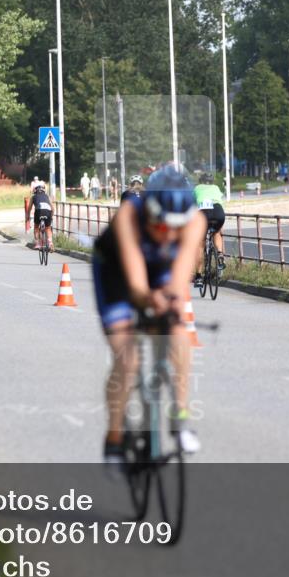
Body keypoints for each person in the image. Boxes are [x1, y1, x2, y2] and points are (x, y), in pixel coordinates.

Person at [92, 165, 206, 465]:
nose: (168, 234)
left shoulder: (196, 222)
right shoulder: (129, 215)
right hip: (115, 272)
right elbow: (137, 286)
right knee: (127, 358)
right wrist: (150, 299)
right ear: (149, 211)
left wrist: (169, 301)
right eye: (160, 225)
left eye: (175, 228)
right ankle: (114, 439)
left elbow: (180, 278)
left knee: (178, 332)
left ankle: (180, 418)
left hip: (159, 270)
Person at [193, 175, 226, 279]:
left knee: (200, 244)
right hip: (218, 211)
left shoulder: (197, 188)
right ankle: (220, 254)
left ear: (200, 181)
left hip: (203, 212)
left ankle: (198, 276)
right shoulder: (216, 188)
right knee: (216, 232)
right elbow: (220, 201)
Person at [25, 182, 55, 250]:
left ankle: (38, 244)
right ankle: (50, 243)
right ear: (44, 191)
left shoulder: (33, 197)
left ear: (35, 191)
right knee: (48, 228)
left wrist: (28, 217)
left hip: (38, 211)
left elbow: (29, 208)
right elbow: (53, 208)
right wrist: (51, 216)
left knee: (36, 227)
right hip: (48, 211)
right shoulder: (47, 196)